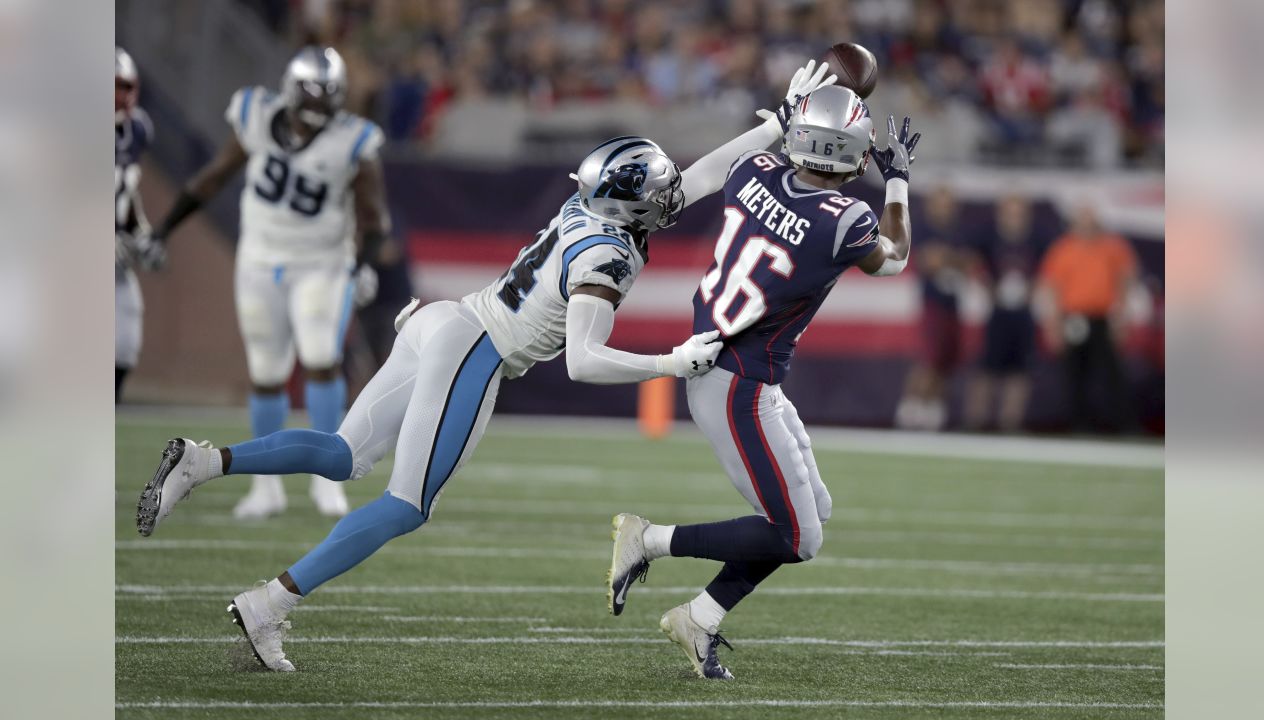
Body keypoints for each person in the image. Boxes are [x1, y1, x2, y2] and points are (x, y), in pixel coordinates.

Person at [133, 61, 841, 673]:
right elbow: (585, 363)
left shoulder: (587, 206)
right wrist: (671, 360)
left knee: (345, 455)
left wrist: (779, 123)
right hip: (477, 350)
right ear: (629, 202)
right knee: (405, 505)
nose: (668, 203)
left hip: (446, 319)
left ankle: (205, 462)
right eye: (654, 198)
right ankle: (269, 603)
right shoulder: (609, 258)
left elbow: (698, 177)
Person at [608, 84, 920, 679]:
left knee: (810, 514)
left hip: (736, 372)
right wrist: (898, 180)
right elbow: (896, 257)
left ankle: (699, 617)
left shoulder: (752, 168)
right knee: (798, 536)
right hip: (736, 385)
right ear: (854, 154)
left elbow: (759, 168)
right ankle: (647, 539)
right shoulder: (848, 217)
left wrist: (787, 119)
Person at [137, 47, 389, 519]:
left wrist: (365, 263)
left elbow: (375, 217)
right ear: (291, 92)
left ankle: (326, 479)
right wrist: (165, 228)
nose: (316, 111)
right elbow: (212, 178)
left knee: (320, 358)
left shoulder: (353, 140)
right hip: (258, 259)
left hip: (322, 262)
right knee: (267, 372)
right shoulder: (255, 114)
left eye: (326, 99)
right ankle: (265, 486)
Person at [1037, 204, 1137, 432]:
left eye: (1090, 219)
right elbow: (1051, 288)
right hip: (1073, 318)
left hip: (1103, 317)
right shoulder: (1063, 249)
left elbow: (1125, 280)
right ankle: (1078, 425)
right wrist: (1053, 325)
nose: (1087, 224)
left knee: (1112, 374)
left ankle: (1122, 424)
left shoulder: (1113, 247)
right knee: (1074, 374)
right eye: (1083, 219)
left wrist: (1121, 317)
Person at [963, 194, 1041, 432]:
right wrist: (989, 287)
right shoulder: (988, 237)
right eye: (1010, 211)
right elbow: (970, 260)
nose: (1014, 217)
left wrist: (1032, 288)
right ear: (1001, 213)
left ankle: (1010, 423)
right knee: (987, 367)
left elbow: (1048, 268)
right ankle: (975, 421)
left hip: (1024, 312)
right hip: (997, 311)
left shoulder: (1037, 239)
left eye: (1018, 212)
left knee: (1020, 371)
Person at [894, 187, 968, 431]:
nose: (945, 208)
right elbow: (930, 261)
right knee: (929, 359)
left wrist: (949, 258)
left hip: (952, 303)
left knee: (946, 362)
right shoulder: (925, 229)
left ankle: (933, 411)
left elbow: (970, 262)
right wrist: (953, 259)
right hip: (933, 302)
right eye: (941, 203)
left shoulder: (957, 231)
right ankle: (910, 410)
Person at [114, 48, 154, 403]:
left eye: (123, 86)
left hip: (116, 256)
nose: (119, 96)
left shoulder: (137, 128)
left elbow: (127, 191)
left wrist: (142, 232)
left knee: (125, 343)